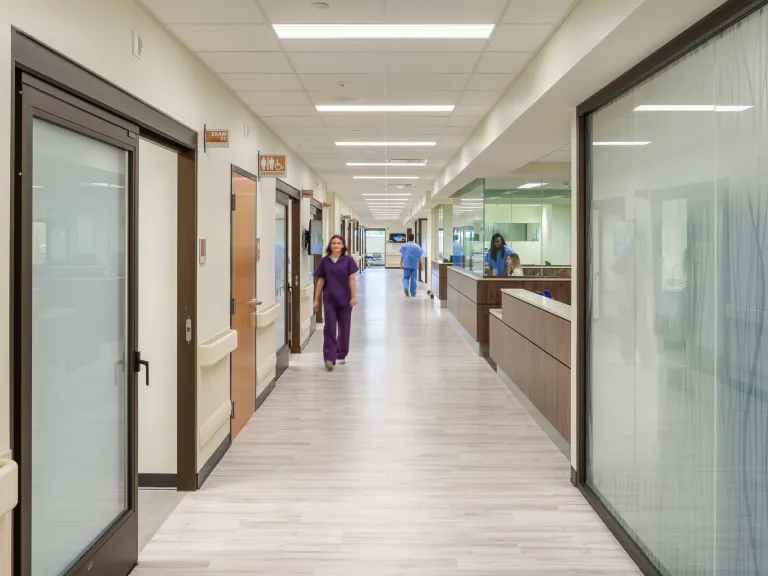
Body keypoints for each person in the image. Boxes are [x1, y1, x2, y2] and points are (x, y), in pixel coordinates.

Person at [313, 235, 358, 371]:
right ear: (330, 246)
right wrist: (316, 299)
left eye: (339, 243)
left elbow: (352, 280)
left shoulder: (348, 261)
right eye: (334, 243)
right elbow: (321, 280)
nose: (336, 245)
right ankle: (329, 357)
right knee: (330, 328)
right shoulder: (325, 261)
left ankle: (341, 353)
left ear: (343, 246)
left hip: (345, 299)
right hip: (330, 299)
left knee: (344, 328)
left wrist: (353, 296)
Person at [399, 233, 423, 297]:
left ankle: (406, 287)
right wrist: (421, 266)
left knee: (406, 278)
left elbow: (402, 256)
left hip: (406, 265)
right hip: (414, 265)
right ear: (413, 238)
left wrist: (400, 264)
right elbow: (420, 258)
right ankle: (413, 293)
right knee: (414, 279)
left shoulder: (404, 246)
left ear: (408, 238)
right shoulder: (417, 246)